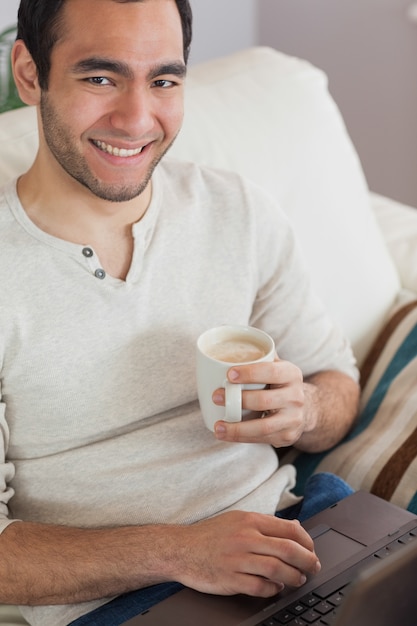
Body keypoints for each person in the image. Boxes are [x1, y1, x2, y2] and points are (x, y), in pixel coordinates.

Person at [0, 0, 360, 624]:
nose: (138, 117)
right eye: (101, 77)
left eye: (164, 80)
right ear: (29, 74)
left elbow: (338, 387)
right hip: (121, 600)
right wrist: (180, 551)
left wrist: (305, 410)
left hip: (297, 527)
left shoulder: (238, 211)